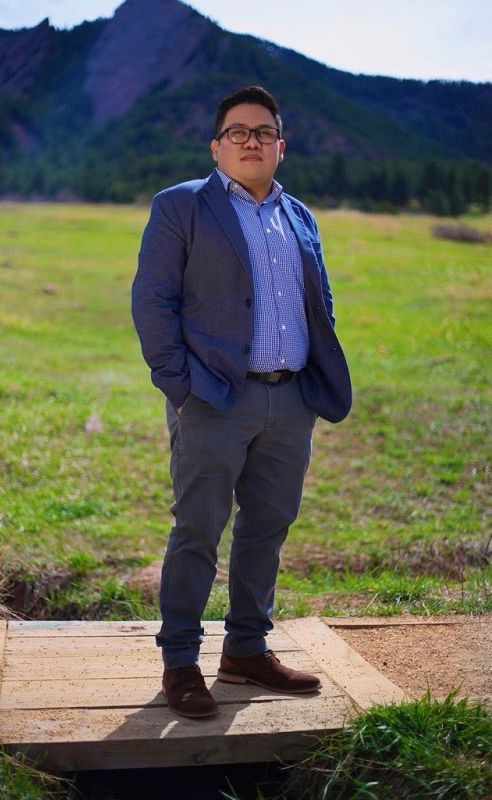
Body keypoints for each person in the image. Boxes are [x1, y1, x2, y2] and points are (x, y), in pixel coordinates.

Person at [131, 86, 352, 719]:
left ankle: (247, 650)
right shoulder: (182, 206)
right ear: (217, 146)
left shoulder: (299, 215)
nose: (250, 140)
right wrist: (180, 385)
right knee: (198, 529)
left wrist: (312, 382)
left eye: (262, 132)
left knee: (267, 527)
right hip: (213, 399)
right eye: (237, 131)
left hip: (290, 400)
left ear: (280, 146)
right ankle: (180, 662)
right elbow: (152, 300)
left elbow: (320, 304)